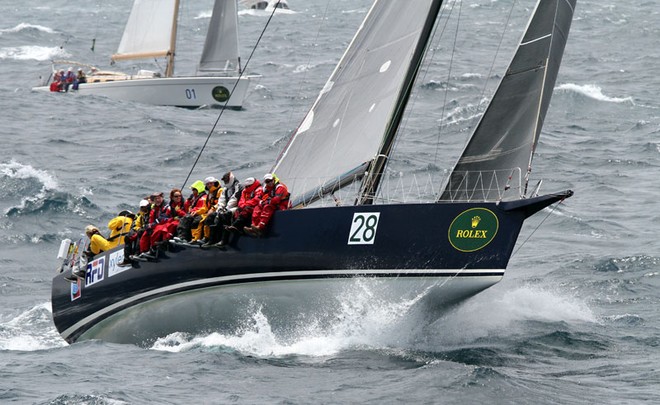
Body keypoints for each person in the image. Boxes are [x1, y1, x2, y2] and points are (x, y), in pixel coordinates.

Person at [245, 173, 290, 237]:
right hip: (272, 204)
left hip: (283, 205)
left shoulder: (280, 187)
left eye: (271, 180)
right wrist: (261, 201)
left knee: (267, 207)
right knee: (257, 207)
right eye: (267, 181)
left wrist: (265, 202)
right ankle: (254, 227)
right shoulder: (266, 188)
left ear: (274, 179)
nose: (270, 183)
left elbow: (276, 200)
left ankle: (261, 227)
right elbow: (258, 197)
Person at [190, 176, 223, 245]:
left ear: (214, 183)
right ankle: (195, 239)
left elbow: (221, 202)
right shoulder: (209, 194)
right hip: (208, 212)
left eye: (211, 183)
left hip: (218, 210)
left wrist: (213, 209)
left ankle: (207, 238)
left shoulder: (220, 190)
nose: (209, 185)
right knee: (197, 219)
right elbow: (205, 207)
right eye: (207, 184)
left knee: (208, 219)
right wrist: (196, 212)